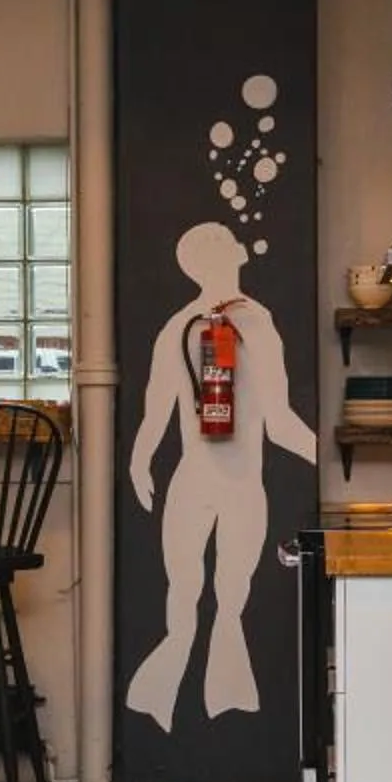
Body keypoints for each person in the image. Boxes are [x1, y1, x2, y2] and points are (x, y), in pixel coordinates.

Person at [127, 221, 317, 730]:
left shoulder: (179, 325)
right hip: (236, 484)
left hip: (193, 481)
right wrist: (327, 458)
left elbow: (154, 413)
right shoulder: (253, 323)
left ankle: (175, 697)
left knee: (190, 591)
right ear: (233, 253)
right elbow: (278, 422)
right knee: (226, 593)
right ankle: (218, 699)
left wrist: (139, 460)